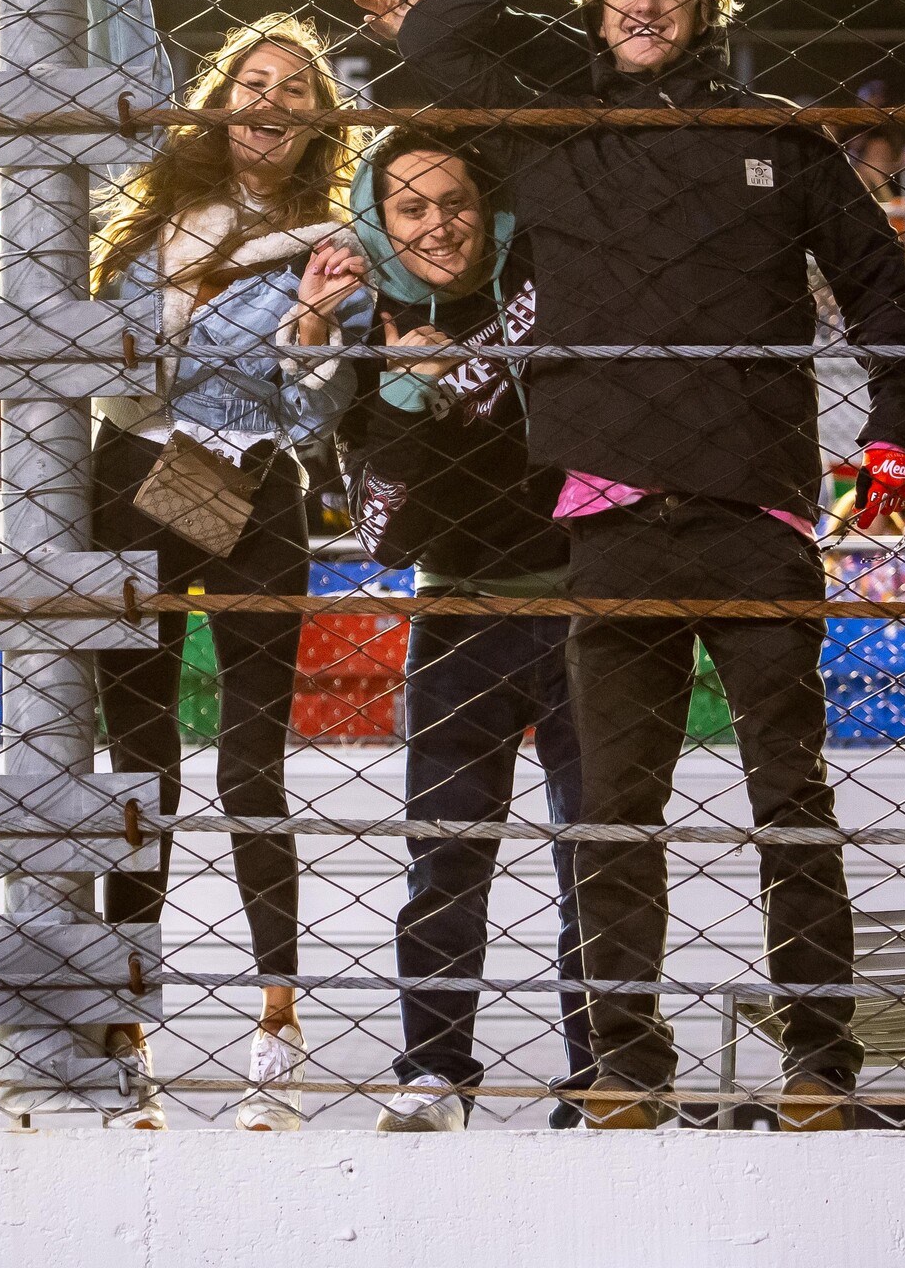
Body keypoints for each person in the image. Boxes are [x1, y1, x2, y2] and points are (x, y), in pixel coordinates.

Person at [397, 0, 905, 1129]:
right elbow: (432, 37)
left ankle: (819, 1065)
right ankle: (631, 1066)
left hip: (756, 511)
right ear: (593, 6)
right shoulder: (545, 123)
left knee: (790, 799)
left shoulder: (776, 133)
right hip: (610, 514)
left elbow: (880, 285)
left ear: (709, 6)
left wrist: (897, 434)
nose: (648, 1)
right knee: (616, 814)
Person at [83, 0, 367, 1132]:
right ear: (222, 103)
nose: (270, 102)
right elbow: (120, 37)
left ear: (319, 122)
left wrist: (310, 335)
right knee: (143, 764)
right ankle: (125, 1015)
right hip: (142, 477)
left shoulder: (338, 236)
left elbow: (318, 408)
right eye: (252, 85)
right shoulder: (164, 190)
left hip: (261, 493)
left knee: (252, 768)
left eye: (294, 92)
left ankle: (277, 1015)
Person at [334, 132, 589, 1133]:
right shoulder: (361, 330)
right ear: (379, 222)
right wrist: (405, 389)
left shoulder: (544, 269)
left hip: (585, 603)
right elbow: (382, 528)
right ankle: (436, 1072)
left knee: (595, 855)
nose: (437, 221)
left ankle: (604, 1072)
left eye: (454, 199)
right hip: (458, 610)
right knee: (444, 860)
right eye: (409, 207)